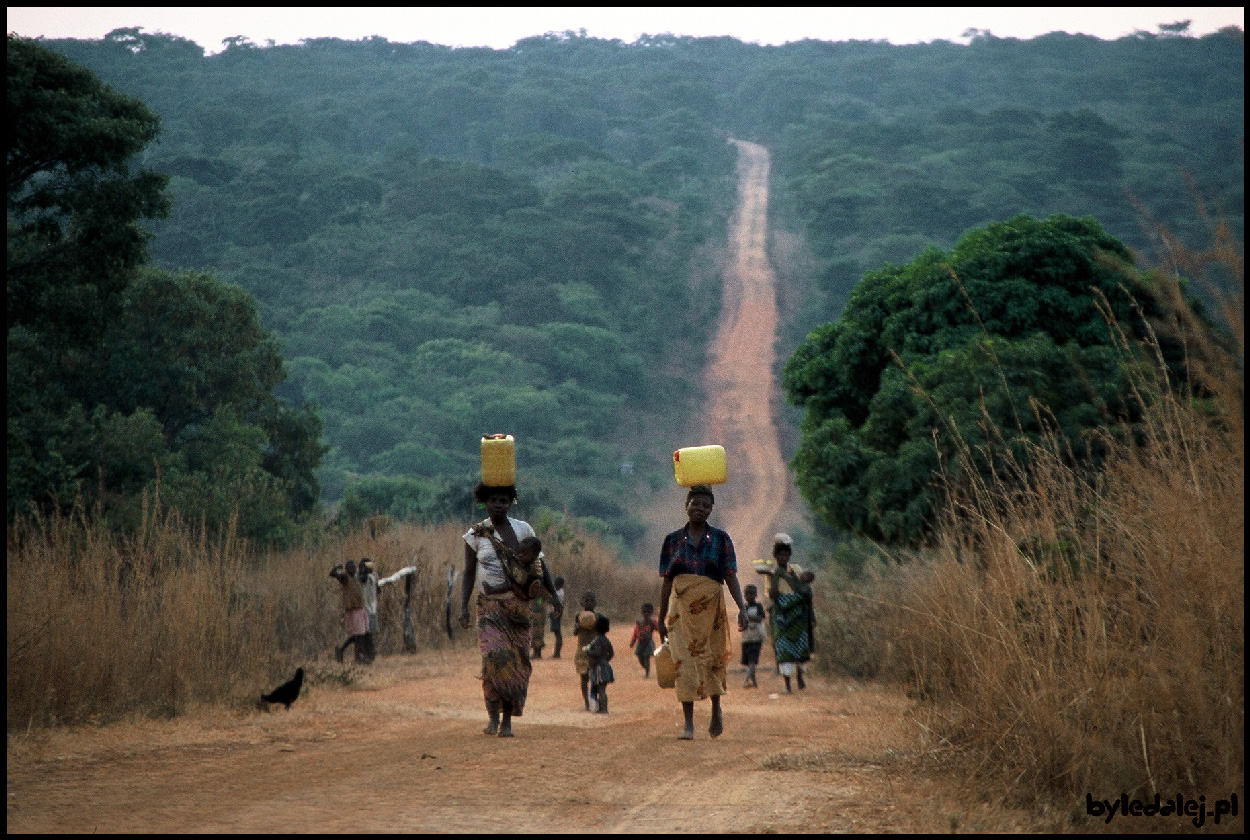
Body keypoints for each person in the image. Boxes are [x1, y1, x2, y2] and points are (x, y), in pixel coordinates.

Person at [459, 483, 562, 737]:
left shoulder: (523, 529)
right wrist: (462, 607)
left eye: (504, 501)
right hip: (489, 607)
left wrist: (554, 598)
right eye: (493, 500)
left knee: (517, 663)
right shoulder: (476, 534)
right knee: (494, 659)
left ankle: (507, 721)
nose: (498, 505)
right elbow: (469, 573)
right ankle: (492, 719)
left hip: (519, 608)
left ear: (510, 503)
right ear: (485, 502)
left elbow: (540, 565)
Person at [658, 484, 748, 740]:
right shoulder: (672, 540)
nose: (699, 509)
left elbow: (730, 575)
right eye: (695, 504)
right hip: (680, 612)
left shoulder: (721, 539)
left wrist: (742, 607)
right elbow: (666, 582)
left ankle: (716, 708)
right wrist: (661, 616)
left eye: (705, 505)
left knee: (712, 658)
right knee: (683, 663)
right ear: (686, 505)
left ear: (711, 509)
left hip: (711, 611)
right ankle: (688, 724)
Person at [766, 533, 814, 693]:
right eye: (780, 555)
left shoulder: (796, 569)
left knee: (800, 647)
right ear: (776, 556)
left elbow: (804, 588)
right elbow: (772, 595)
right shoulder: (772, 573)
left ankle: (800, 676)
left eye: (786, 554)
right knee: (783, 647)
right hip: (782, 617)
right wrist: (774, 577)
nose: (783, 557)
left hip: (798, 616)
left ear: (789, 555)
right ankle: (787, 685)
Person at [330, 560, 368, 664]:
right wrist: (337, 568)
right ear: (347, 569)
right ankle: (353, 655)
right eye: (351, 567)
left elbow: (365, 577)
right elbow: (333, 574)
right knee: (358, 635)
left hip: (359, 609)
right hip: (353, 610)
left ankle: (352, 654)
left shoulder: (355, 578)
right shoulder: (345, 578)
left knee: (358, 636)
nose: (353, 569)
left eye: (354, 567)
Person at [572, 591, 604, 710]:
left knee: (595, 677)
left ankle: (594, 701)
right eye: (586, 600)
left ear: (595, 603)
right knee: (584, 677)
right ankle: (586, 703)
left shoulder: (598, 616)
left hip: (594, 649)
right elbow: (575, 632)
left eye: (591, 600)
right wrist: (580, 625)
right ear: (581, 603)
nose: (589, 603)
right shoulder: (578, 615)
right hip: (582, 650)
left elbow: (602, 633)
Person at [585, 614, 615, 713]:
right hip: (605, 666)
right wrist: (605, 660)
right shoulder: (606, 640)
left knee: (601, 690)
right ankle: (602, 708)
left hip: (599, 668)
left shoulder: (598, 640)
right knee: (602, 689)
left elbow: (597, 652)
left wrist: (588, 651)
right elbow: (611, 653)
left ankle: (604, 709)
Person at [739, 584, 767, 688]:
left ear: (756, 595)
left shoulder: (758, 606)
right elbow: (740, 621)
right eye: (747, 594)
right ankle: (753, 682)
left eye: (751, 594)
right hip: (746, 638)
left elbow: (760, 618)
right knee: (749, 662)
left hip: (756, 638)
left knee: (752, 660)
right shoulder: (743, 608)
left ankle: (748, 681)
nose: (749, 596)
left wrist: (747, 617)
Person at [629, 603, 660, 678]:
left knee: (646, 657)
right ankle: (646, 668)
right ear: (642, 612)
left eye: (648, 612)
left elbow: (658, 628)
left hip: (648, 642)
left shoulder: (652, 621)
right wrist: (632, 642)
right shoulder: (639, 622)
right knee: (640, 656)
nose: (646, 614)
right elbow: (636, 632)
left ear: (652, 613)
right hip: (640, 642)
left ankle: (647, 673)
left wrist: (652, 623)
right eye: (645, 612)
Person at [358, 557, 379, 664]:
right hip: (373, 608)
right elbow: (378, 590)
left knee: (365, 634)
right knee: (369, 634)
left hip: (366, 609)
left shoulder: (365, 577)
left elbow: (360, 578)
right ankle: (371, 654)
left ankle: (368, 655)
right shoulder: (375, 576)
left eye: (361, 566)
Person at [549, 576, 566, 659]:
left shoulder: (559, 593)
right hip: (556, 612)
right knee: (557, 632)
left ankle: (557, 653)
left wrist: (541, 600)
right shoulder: (560, 591)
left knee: (557, 633)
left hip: (556, 612)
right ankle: (557, 653)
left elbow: (552, 601)